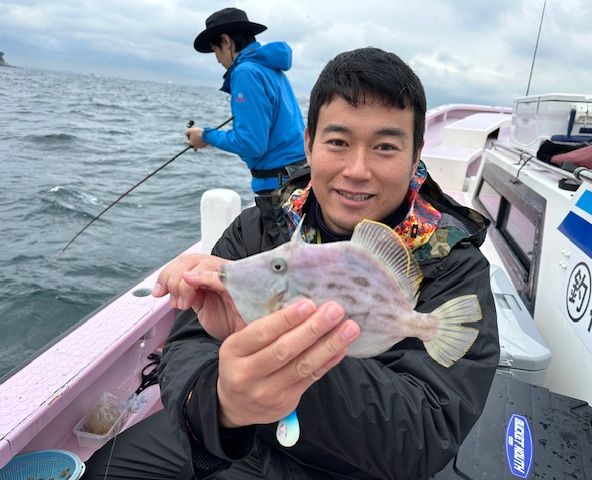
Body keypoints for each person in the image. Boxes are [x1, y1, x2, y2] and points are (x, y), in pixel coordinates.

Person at [84, 47, 499, 479]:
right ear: (309, 143)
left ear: (415, 156)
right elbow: (187, 343)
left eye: (385, 147)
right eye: (338, 142)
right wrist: (221, 402)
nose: (357, 170)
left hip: (340, 468)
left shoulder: (453, 265)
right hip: (240, 436)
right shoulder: (264, 226)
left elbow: (426, 437)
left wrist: (292, 367)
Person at [185, 7, 306, 195]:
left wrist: (206, 136)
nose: (217, 60)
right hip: (298, 175)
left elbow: (251, 143)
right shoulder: (268, 68)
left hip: (280, 186)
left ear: (226, 42)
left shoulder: (245, 72)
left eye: (215, 50)